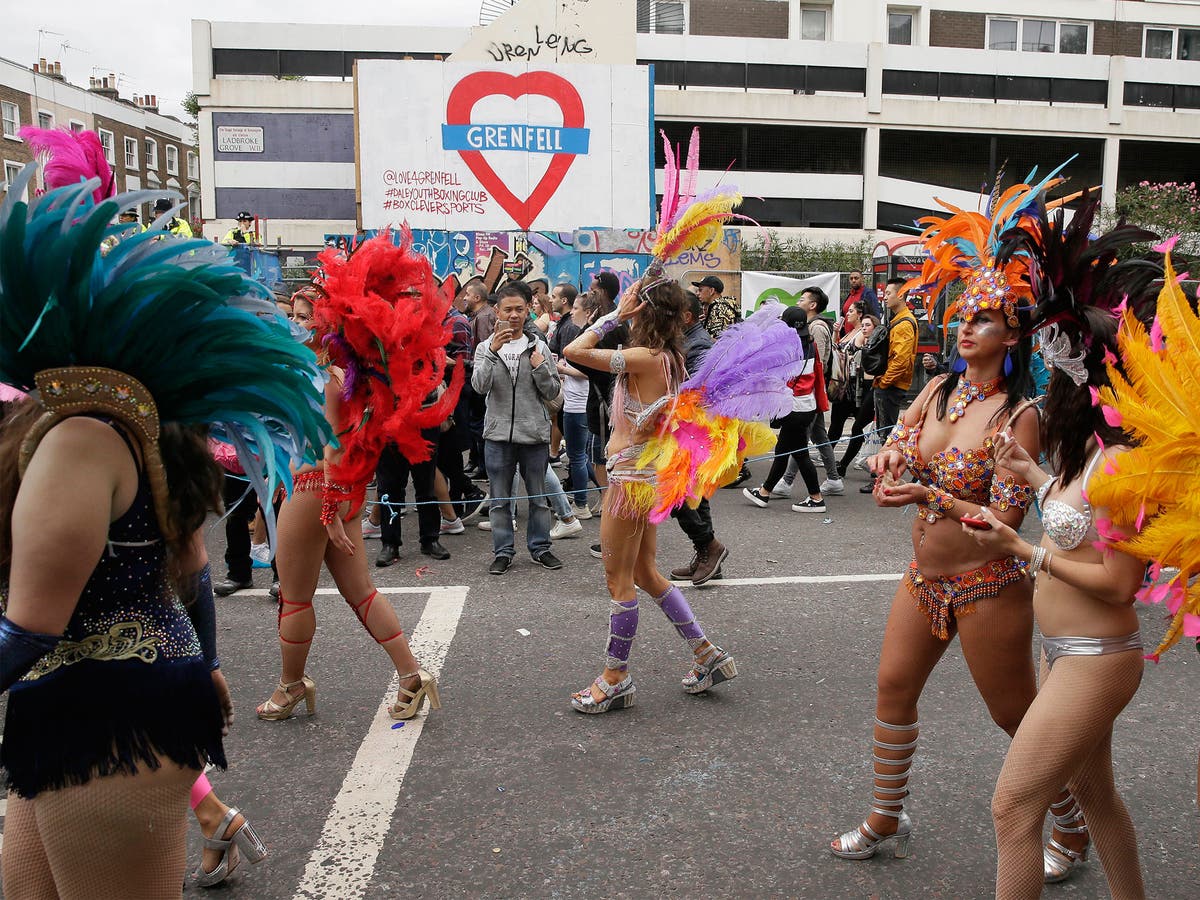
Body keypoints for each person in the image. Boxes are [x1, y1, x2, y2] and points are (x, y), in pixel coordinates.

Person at [0, 161, 326, 897]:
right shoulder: (136, 427)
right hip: (81, 715)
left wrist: (203, 664)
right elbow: (192, 568)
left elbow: (28, 630)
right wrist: (205, 660)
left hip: (107, 726)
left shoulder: (81, 438)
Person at [830, 172, 1079, 867]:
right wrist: (886, 466)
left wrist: (928, 497)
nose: (965, 326)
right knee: (892, 687)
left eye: (983, 320)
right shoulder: (938, 388)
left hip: (987, 585)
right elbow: (900, 444)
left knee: (1016, 717)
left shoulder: (1018, 417)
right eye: (963, 316)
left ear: (1011, 334)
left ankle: (1073, 827)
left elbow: (1001, 519)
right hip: (924, 578)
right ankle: (884, 817)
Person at [967, 197, 1168, 898]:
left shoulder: (1120, 462)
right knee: (1098, 800)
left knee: (1012, 807)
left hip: (1099, 658)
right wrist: (1035, 477)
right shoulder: (1088, 453)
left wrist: (1022, 550)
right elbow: (1081, 512)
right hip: (1065, 655)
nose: (1045, 376)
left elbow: (1118, 585)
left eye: (1055, 359)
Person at [258, 234, 458, 723]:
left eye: (307, 318)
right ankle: (412, 676)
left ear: (333, 326)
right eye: (297, 315)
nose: (297, 323)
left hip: (315, 491)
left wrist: (326, 511)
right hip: (343, 490)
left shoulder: (329, 379)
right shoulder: (354, 375)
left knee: (295, 596)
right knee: (361, 593)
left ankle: (289, 687)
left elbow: (330, 447)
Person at [564, 278, 739, 712]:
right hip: (648, 477)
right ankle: (707, 654)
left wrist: (611, 318)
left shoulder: (644, 358)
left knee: (618, 581)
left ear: (642, 314)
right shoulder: (672, 358)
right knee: (644, 573)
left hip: (629, 481)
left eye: (635, 310)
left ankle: (615, 677)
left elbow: (573, 351)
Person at [470, 281, 563, 575]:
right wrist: (493, 352)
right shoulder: (485, 347)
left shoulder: (539, 347)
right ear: (497, 310)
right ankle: (503, 551)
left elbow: (553, 392)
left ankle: (540, 548)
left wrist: (540, 367)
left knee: (537, 497)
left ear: (527, 312)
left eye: (519, 309)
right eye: (507, 309)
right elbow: (479, 386)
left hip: (534, 434)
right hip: (497, 436)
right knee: (499, 500)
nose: (513, 315)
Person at [741, 304, 827, 514]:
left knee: (800, 454)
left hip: (793, 407)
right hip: (806, 405)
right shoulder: (810, 343)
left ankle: (816, 499)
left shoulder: (789, 346)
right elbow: (817, 375)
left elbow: (777, 376)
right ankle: (764, 492)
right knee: (784, 450)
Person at [669, 290, 727, 585]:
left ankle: (710, 547)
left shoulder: (700, 344)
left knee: (679, 496)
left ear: (687, 317)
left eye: (673, 312)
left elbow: (699, 392)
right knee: (694, 497)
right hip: (688, 431)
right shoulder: (686, 340)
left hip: (695, 432)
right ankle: (706, 553)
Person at [862, 277, 918, 493]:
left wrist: (884, 382)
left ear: (901, 295)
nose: (885, 297)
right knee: (884, 432)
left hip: (891, 386)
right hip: (887, 385)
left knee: (887, 434)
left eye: (889, 293)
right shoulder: (898, 320)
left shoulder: (904, 324)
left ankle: (884, 478)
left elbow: (900, 361)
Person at [828, 306, 880, 480]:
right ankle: (832, 459)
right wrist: (836, 333)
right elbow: (839, 350)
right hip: (846, 384)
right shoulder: (849, 333)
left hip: (856, 387)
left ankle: (871, 465)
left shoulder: (864, 336)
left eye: (851, 311)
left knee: (860, 427)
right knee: (841, 424)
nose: (847, 314)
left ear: (859, 314)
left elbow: (856, 355)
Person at [693, 274, 739, 340]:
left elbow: (719, 342)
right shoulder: (722, 306)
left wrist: (699, 332)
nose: (698, 293)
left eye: (701, 290)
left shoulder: (718, 309)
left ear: (711, 291)